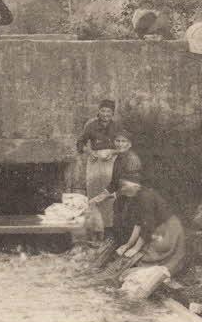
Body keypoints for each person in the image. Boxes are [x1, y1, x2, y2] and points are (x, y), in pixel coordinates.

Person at [113, 177, 186, 273]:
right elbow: (138, 224)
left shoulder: (145, 197)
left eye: (124, 186)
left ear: (135, 185)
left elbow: (147, 226)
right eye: (121, 187)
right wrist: (128, 244)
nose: (122, 189)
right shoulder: (135, 197)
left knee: (146, 255)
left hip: (169, 229)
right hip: (158, 228)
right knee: (138, 252)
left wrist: (135, 248)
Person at [76, 100, 121, 234]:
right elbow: (80, 142)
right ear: (99, 111)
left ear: (112, 113)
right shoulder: (91, 125)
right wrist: (89, 152)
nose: (105, 114)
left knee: (109, 192)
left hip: (111, 160)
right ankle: (94, 226)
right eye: (103, 111)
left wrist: (113, 152)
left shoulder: (117, 126)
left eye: (108, 111)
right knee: (94, 191)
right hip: (95, 160)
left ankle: (109, 227)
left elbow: (124, 145)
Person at [88, 132, 143, 236]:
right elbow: (114, 183)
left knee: (127, 223)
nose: (120, 144)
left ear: (129, 144)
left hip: (133, 198)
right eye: (117, 141)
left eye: (124, 141)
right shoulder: (119, 158)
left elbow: (132, 187)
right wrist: (100, 196)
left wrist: (112, 195)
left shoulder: (132, 159)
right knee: (118, 220)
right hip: (123, 197)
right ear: (114, 142)